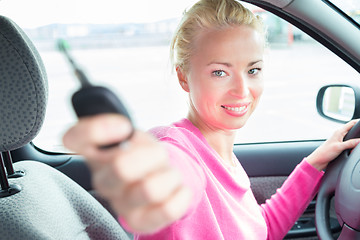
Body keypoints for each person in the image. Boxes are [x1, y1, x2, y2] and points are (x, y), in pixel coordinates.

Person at [63, 0, 360, 239]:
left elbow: (260, 229)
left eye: (253, 70)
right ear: (183, 77)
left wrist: (315, 162)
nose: (242, 90)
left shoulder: (221, 153)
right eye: (220, 72)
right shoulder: (176, 148)